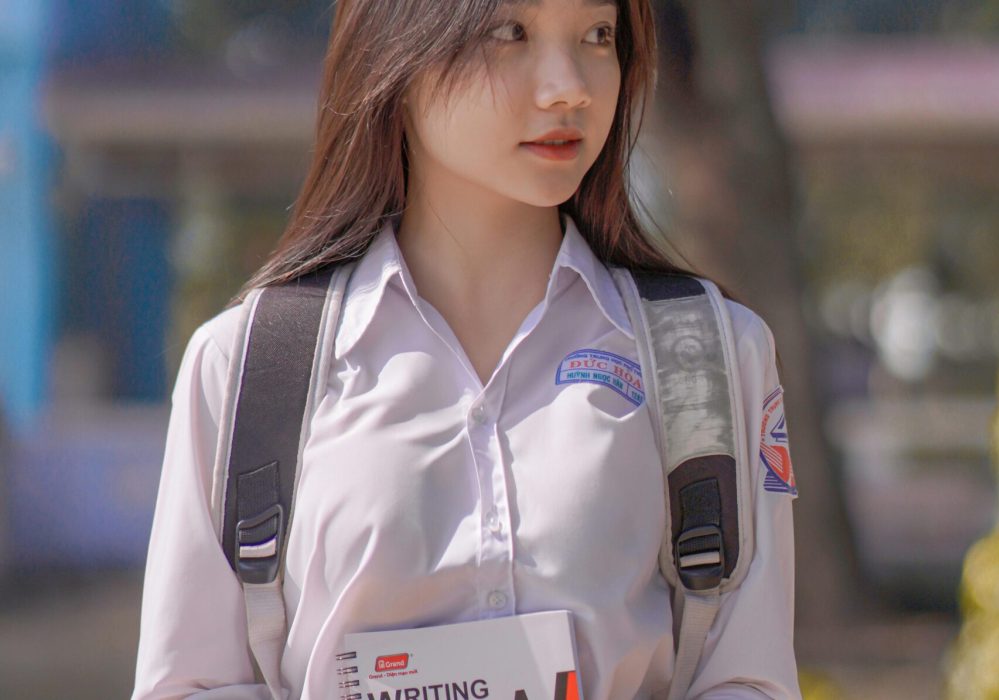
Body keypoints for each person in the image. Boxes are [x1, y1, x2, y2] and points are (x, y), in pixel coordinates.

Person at [132, 0, 801, 698]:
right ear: (396, 50)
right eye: (508, 33)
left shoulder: (712, 355)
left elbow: (747, 678)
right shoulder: (246, 366)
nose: (568, 86)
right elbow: (191, 684)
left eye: (598, 36)